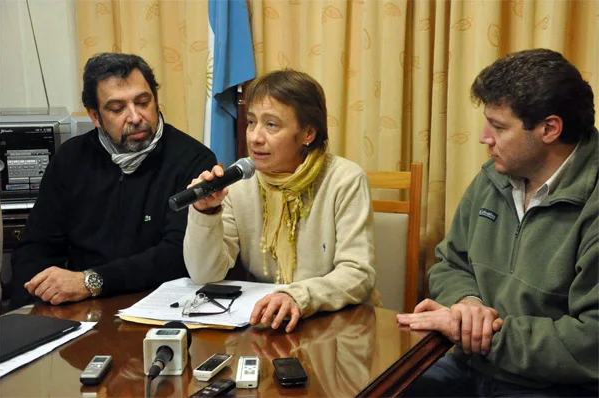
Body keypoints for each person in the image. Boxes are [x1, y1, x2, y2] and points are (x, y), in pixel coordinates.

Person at [397, 48, 598, 396]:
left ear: (549, 128)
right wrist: (467, 303)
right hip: (470, 362)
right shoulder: (495, 177)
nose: (483, 137)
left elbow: (590, 341)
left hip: (555, 385)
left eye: (499, 126)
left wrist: (482, 335)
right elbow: (450, 263)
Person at [9, 53, 217, 309]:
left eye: (143, 102)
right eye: (117, 109)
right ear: (95, 116)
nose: (135, 117)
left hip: (160, 306)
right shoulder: (71, 158)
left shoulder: (193, 159)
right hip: (81, 308)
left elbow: (176, 255)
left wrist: (91, 281)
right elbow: (36, 247)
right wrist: (31, 308)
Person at [183, 69, 377, 333]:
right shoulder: (240, 181)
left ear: (308, 133)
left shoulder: (344, 179)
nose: (254, 137)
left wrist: (298, 295)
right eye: (251, 122)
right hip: (267, 323)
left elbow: (358, 274)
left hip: (337, 325)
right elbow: (205, 275)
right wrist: (206, 213)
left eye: (271, 125)